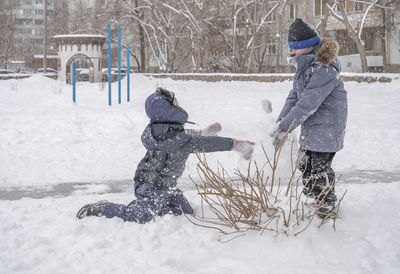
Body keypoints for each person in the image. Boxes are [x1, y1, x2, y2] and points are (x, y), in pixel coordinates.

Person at [77, 87, 255, 223]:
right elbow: (199, 144)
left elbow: (186, 138)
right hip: (150, 186)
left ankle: (147, 204)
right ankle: (103, 208)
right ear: (168, 110)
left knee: (185, 213)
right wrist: (235, 144)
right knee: (144, 217)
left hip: (166, 186)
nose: (178, 104)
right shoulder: (176, 139)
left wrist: (203, 132)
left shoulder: (165, 131)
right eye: (175, 103)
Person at [269, 18, 348, 218]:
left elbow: (307, 105)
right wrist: (279, 123)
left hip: (326, 129)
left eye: (293, 49)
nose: (291, 52)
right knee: (305, 165)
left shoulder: (324, 69)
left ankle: (326, 209)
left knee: (319, 172)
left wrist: (284, 129)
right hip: (313, 127)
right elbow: (295, 96)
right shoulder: (306, 66)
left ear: (305, 48)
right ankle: (313, 200)